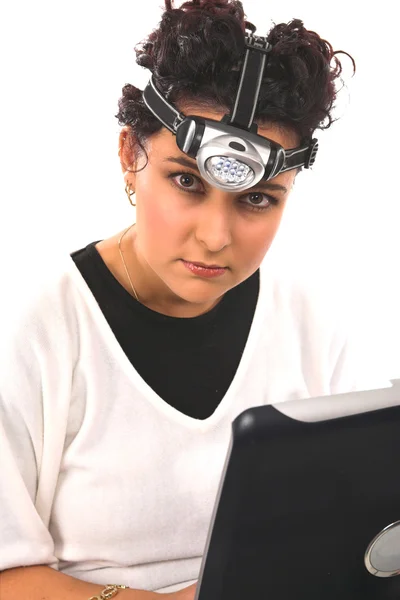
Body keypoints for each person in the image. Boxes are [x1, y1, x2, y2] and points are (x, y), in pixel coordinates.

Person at [0, 1, 389, 599]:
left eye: (258, 200)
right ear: (131, 156)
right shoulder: (34, 329)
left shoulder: (312, 320)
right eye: (187, 182)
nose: (215, 236)